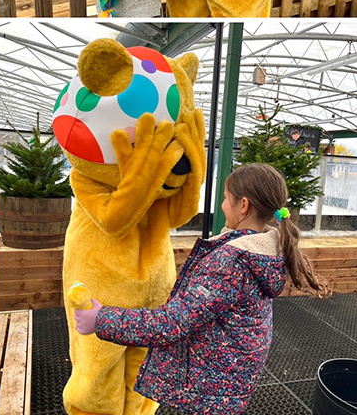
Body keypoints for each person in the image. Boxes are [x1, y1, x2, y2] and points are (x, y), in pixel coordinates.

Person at [73, 163, 330, 415]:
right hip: (232, 381)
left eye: (226, 198)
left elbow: (172, 323)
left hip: (213, 390)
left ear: (243, 205)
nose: (222, 205)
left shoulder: (230, 263)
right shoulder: (265, 251)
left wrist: (101, 319)